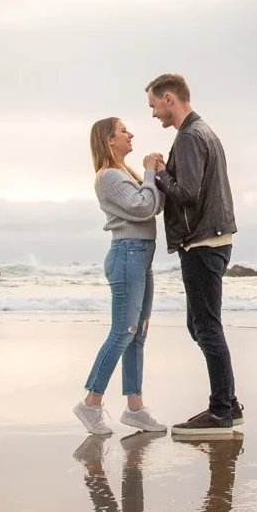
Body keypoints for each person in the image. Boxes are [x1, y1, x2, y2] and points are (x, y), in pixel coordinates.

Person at [140, 74, 243, 438]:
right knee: (199, 324)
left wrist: (158, 172)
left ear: (170, 99)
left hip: (202, 241)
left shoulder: (188, 136)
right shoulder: (201, 132)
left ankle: (220, 411)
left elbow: (188, 193)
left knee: (206, 326)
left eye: (154, 106)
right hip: (211, 238)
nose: (153, 115)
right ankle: (227, 402)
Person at [75, 117, 168, 435]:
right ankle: (90, 403)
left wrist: (155, 175)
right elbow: (144, 208)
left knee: (137, 333)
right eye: (123, 131)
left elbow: (154, 203)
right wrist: (150, 174)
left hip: (140, 256)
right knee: (122, 332)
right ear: (109, 141)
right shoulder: (109, 177)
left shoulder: (124, 174)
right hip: (127, 254)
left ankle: (135, 408)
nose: (130, 134)